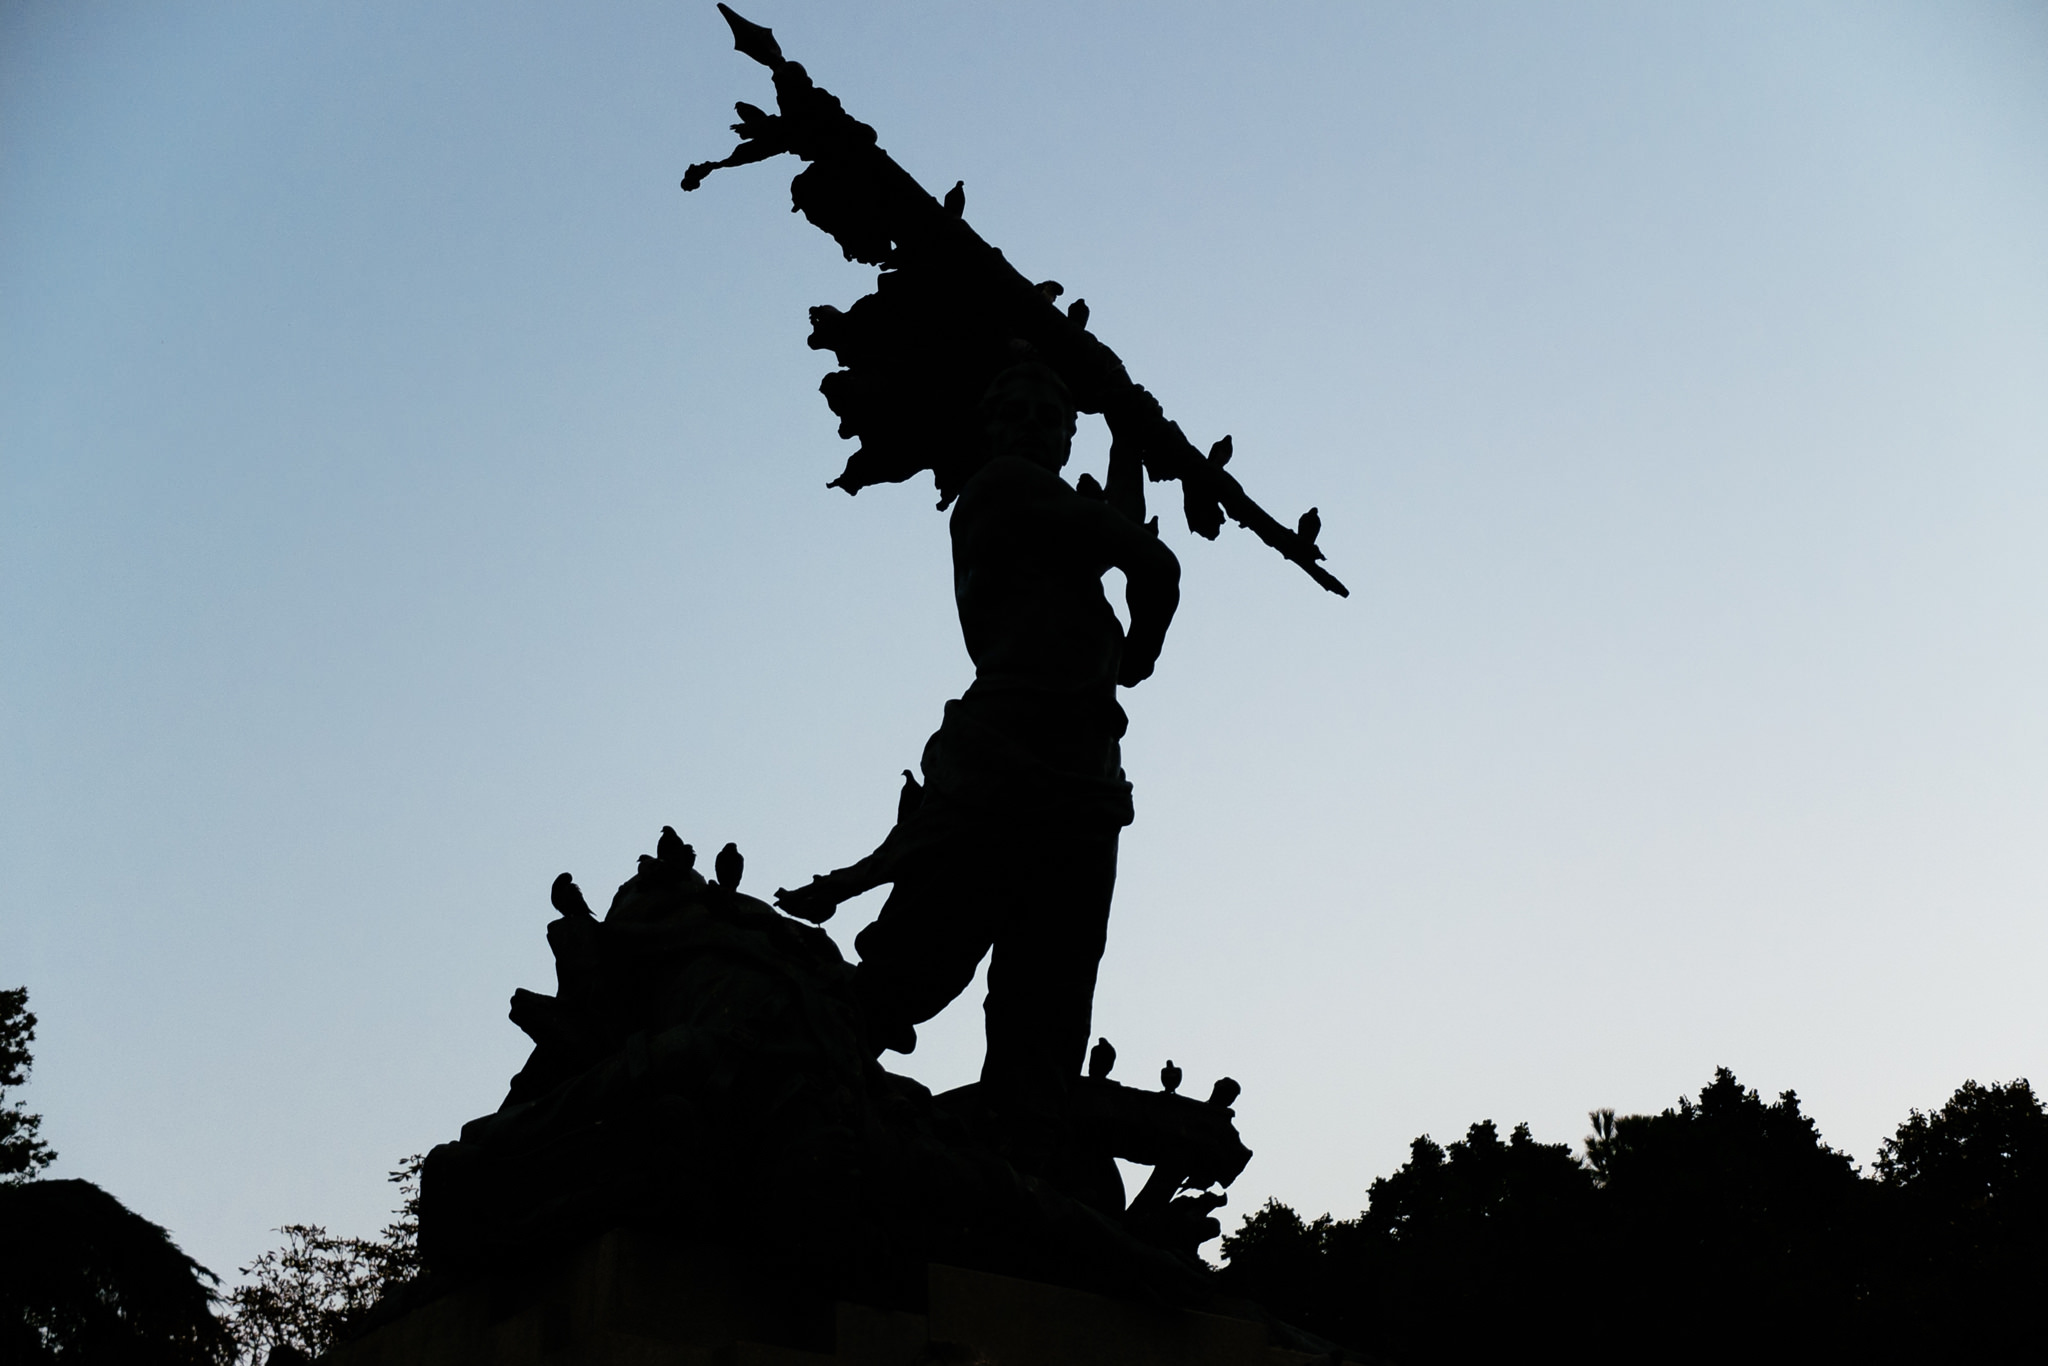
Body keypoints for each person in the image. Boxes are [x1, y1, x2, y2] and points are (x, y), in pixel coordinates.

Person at [778, 359, 1180, 1165]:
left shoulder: (1053, 527)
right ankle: (795, 1097)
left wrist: (1128, 442)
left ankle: (1021, 1159)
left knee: (1046, 1000)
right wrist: (1137, 648)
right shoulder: (1002, 487)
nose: (1032, 426)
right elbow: (1150, 562)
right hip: (1010, 755)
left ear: (1067, 439)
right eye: (1017, 412)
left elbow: (1120, 543)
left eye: (1049, 417)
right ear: (992, 429)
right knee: (922, 964)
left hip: (1084, 777)